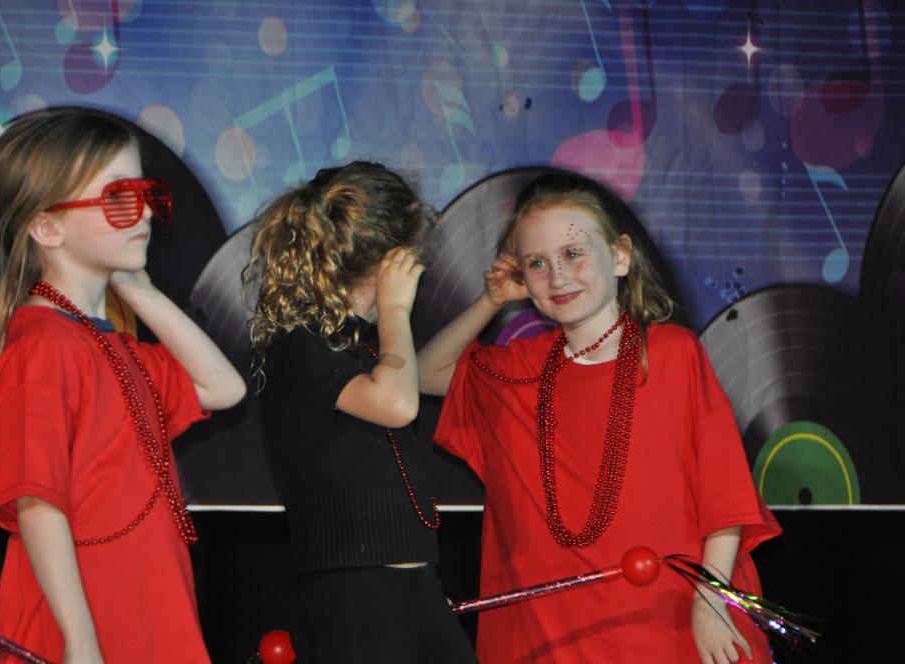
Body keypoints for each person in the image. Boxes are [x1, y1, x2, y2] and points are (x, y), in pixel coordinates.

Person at [419, 171, 781, 663]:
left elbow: (724, 497)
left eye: (573, 253)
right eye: (537, 263)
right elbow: (425, 373)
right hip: (556, 638)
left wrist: (711, 599)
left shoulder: (673, 355)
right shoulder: (521, 371)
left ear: (619, 255)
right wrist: (492, 300)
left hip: (672, 627)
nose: (558, 276)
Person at [0, 108, 246, 663]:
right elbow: (37, 503)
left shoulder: (117, 347)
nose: (145, 211)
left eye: (145, 193)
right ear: (48, 226)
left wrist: (140, 290)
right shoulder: (42, 345)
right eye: (118, 198)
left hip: (147, 607)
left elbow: (224, 388)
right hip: (91, 622)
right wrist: (80, 642)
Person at [246, 161, 476, 663]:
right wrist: (395, 310)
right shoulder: (302, 341)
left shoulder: (357, 345)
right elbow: (397, 404)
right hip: (355, 590)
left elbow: (414, 378)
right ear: (396, 257)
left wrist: (489, 302)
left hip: (402, 581)